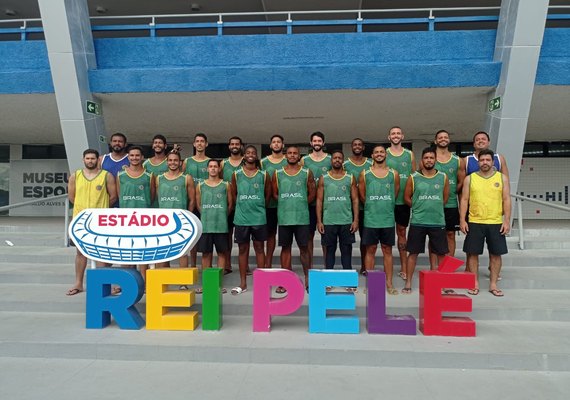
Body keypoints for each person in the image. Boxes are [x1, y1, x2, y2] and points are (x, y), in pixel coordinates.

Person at [460, 149, 511, 297]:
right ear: (478, 162)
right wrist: (462, 220)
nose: (485, 163)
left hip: (495, 222)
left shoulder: (502, 178)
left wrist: (506, 220)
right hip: (475, 221)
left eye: (488, 160)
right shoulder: (470, 178)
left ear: (493, 162)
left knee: (496, 254)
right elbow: (464, 200)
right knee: (473, 254)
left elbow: (506, 199)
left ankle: (493, 284)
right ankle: (474, 283)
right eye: (482, 160)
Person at [66, 149, 117, 296]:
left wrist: (98, 211)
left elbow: (112, 197)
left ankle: (105, 285)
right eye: (87, 158)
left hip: (100, 221)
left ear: (98, 160)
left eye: (93, 158)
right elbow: (72, 197)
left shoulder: (106, 176)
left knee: (102, 253)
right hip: (80, 221)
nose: (90, 161)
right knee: (81, 252)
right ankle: (78, 283)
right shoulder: (76, 176)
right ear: (83, 160)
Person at [402, 147, 449, 294]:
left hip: (437, 222)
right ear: (421, 160)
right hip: (418, 221)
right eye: (426, 158)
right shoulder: (413, 177)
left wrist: (434, 207)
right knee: (413, 253)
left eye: (431, 158)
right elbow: (406, 197)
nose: (429, 160)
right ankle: (408, 282)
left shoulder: (443, 177)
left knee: (441, 254)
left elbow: (445, 198)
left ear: (435, 160)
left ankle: (443, 284)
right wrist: (417, 206)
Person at [273, 146, 316, 293]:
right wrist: (287, 203)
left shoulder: (306, 172)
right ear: (286, 156)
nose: (292, 155)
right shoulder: (278, 173)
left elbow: (312, 193)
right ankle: (285, 281)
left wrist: (301, 203)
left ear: (299, 156)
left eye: (295, 153)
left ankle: (308, 278)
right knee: (285, 248)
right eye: (290, 153)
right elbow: (275, 194)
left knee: (304, 248)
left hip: (302, 217)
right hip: (285, 218)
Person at [358, 145, 400, 295]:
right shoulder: (365, 173)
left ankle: (389, 282)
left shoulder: (393, 174)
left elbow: (394, 193)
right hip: (371, 218)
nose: (379, 154)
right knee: (371, 250)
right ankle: (371, 284)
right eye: (376, 152)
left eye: (382, 152)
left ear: (386, 155)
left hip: (387, 218)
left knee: (387, 250)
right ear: (372, 155)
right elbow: (362, 196)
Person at [230, 145, 271, 294]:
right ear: (244, 155)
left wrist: (258, 206)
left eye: (253, 153)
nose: (250, 155)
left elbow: (268, 195)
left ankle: (261, 283)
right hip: (241, 219)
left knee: (260, 249)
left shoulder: (264, 175)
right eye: (248, 152)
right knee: (243, 250)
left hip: (259, 218)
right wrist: (243, 205)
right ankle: (243, 283)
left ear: (256, 156)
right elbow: (234, 194)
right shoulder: (236, 174)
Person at [316, 150, 359, 284]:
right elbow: (319, 200)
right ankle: (328, 281)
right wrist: (319, 221)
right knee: (329, 252)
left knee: (346, 252)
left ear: (343, 160)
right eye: (335, 158)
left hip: (346, 221)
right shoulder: (324, 178)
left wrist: (356, 219)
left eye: (340, 158)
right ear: (331, 160)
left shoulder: (350, 177)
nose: (337, 160)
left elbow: (355, 200)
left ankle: (348, 282)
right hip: (329, 221)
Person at [117, 145, 156, 281]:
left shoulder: (148, 175)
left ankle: (144, 281)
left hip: (143, 219)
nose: (134, 158)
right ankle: (127, 280)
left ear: (142, 157)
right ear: (128, 157)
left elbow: (151, 196)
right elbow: (118, 194)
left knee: (143, 251)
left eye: (137, 155)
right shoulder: (120, 175)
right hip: (126, 219)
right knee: (127, 251)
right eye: (132, 155)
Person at [429, 130, 465, 269]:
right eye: (440, 137)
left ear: (449, 140)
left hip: (450, 204)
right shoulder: (430, 158)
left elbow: (461, 181)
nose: (443, 139)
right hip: (433, 204)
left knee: (450, 234)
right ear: (436, 140)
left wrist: (452, 189)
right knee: (434, 236)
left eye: (445, 137)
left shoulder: (457, 160)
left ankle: (447, 268)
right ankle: (433, 268)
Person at [195, 159, 233, 294]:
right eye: (210, 166)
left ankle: (217, 285)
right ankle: (207, 285)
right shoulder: (200, 185)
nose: (213, 169)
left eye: (215, 167)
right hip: (206, 225)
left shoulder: (226, 185)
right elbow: (198, 205)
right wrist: (207, 214)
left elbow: (229, 205)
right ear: (207, 169)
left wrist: (221, 215)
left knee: (222, 254)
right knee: (206, 255)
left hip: (221, 226)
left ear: (219, 169)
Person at [155, 149, 195, 272]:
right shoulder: (158, 178)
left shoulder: (186, 178)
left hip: (180, 220)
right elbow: (157, 197)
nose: (173, 163)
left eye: (175, 160)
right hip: (163, 221)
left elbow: (192, 200)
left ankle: (183, 283)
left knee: (181, 251)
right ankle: (163, 279)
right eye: (170, 160)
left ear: (180, 162)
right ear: (167, 162)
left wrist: (187, 217)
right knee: (163, 251)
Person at [386, 126, 416, 282]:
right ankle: (387, 267)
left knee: (402, 233)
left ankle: (404, 267)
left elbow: (414, 177)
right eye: (393, 133)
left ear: (402, 136)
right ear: (389, 137)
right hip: (386, 202)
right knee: (386, 235)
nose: (396, 136)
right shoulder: (384, 154)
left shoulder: (409, 154)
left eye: (398, 133)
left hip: (403, 202)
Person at [300, 131, 331, 269]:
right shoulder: (304, 160)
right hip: (310, 205)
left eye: (319, 141)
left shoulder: (330, 159)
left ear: (323, 143)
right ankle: (310, 266)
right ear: (311, 143)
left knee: (326, 237)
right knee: (309, 237)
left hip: (327, 204)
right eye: (315, 141)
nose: (317, 143)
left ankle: (326, 265)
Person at [344, 138, 372, 275]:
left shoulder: (371, 163)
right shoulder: (345, 164)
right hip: (349, 208)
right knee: (348, 241)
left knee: (365, 239)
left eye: (359, 144)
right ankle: (347, 268)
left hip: (367, 207)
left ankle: (364, 266)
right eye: (354, 144)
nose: (357, 146)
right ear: (351, 147)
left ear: (363, 147)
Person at [183, 133, 210, 269]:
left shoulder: (211, 162)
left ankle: (209, 266)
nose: (199, 143)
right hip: (191, 204)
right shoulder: (187, 161)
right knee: (192, 235)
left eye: (202, 141)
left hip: (207, 204)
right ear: (194, 144)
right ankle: (193, 264)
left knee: (206, 235)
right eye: (197, 141)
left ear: (206, 144)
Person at [260, 134, 287, 268]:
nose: (276, 144)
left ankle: (286, 265)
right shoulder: (263, 162)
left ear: (283, 145)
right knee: (270, 234)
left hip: (286, 206)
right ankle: (268, 262)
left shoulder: (289, 161)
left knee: (286, 237)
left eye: (279, 142)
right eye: (274, 142)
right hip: (269, 205)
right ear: (270, 145)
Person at [220, 136, 244, 275]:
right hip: (228, 205)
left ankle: (244, 265)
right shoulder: (223, 164)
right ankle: (227, 264)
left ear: (241, 146)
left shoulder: (246, 162)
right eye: (232, 144)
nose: (234, 146)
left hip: (243, 205)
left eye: (237, 144)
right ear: (229, 146)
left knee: (243, 239)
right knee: (227, 236)